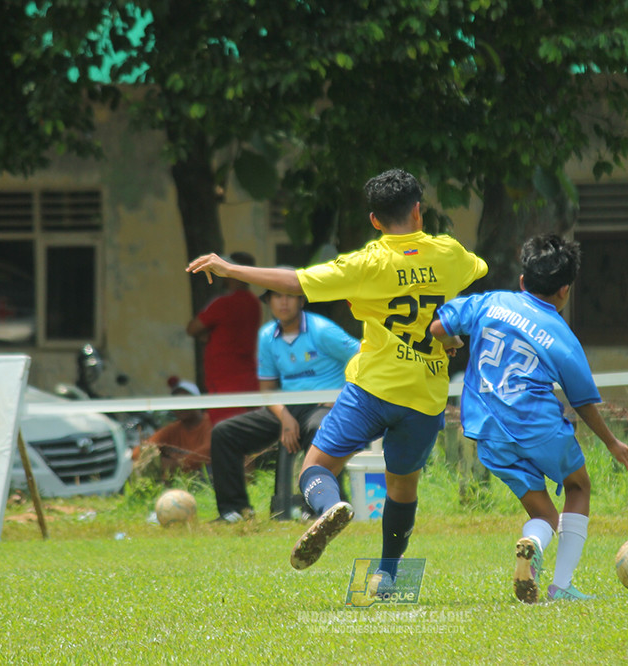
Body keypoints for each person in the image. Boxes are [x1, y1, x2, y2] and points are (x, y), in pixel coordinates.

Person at [187, 168, 488, 583]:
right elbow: (476, 273)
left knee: (314, 469)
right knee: (403, 489)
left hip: (372, 389)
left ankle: (330, 507)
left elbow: (294, 282)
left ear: (375, 220)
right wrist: (448, 329)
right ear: (418, 211)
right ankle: (387, 575)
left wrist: (231, 269)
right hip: (424, 397)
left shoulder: (366, 264)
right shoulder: (450, 253)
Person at [428, 233, 628, 603]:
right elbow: (583, 401)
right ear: (565, 290)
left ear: (523, 280)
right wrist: (612, 442)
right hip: (537, 423)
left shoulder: (490, 302)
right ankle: (562, 585)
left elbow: (439, 328)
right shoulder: (562, 338)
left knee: (543, 514)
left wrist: (453, 344)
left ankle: (533, 543)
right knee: (578, 487)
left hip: (487, 429)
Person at [210, 285, 360, 523]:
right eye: (277, 296)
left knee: (318, 429)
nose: (283, 302)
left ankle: (322, 509)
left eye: (290, 296)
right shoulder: (267, 335)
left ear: (301, 301)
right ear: (269, 302)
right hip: (287, 407)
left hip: (324, 405)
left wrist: (341, 395)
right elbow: (267, 389)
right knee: (224, 432)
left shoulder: (322, 330)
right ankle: (234, 511)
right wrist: (284, 417)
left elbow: (364, 358)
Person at [186, 251, 261, 424]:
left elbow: (192, 328)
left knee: (224, 430)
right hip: (248, 380)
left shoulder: (223, 303)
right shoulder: (253, 303)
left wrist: (207, 334)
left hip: (224, 382)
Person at [138, 378, 212, 480]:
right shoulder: (173, 429)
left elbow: (207, 452)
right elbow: (142, 450)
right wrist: (154, 459)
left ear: (197, 401)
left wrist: (176, 464)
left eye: (185, 401)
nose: (181, 407)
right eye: (177, 402)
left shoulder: (210, 423)